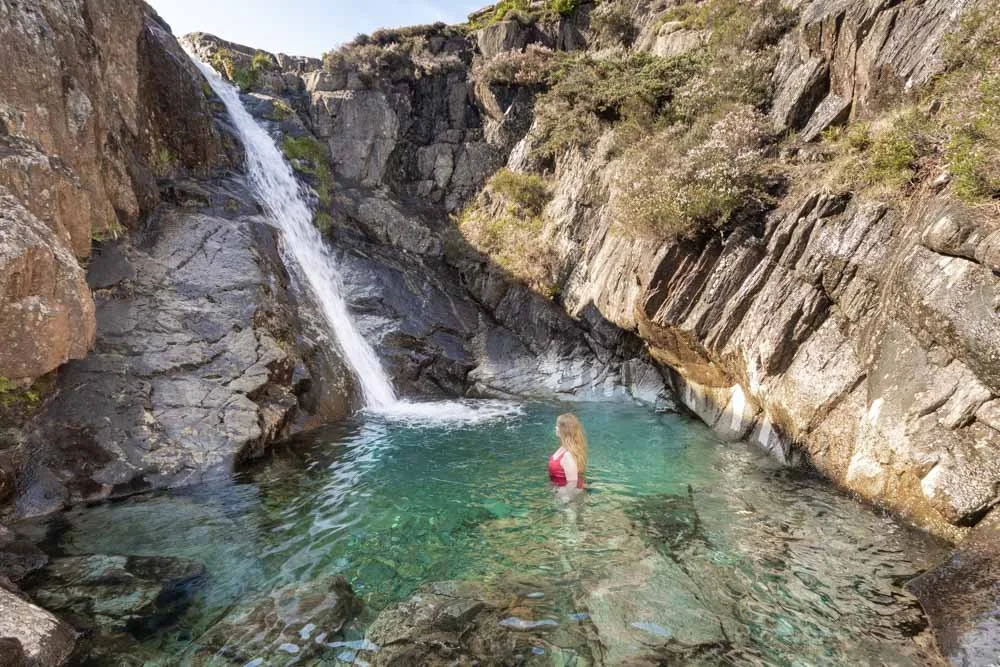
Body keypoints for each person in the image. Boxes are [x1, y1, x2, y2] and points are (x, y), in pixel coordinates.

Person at [549, 413, 587, 494]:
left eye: (558, 426)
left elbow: (572, 483)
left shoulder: (568, 455)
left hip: (567, 497)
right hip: (559, 491)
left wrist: (563, 497)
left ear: (564, 430)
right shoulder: (563, 447)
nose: (555, 428)